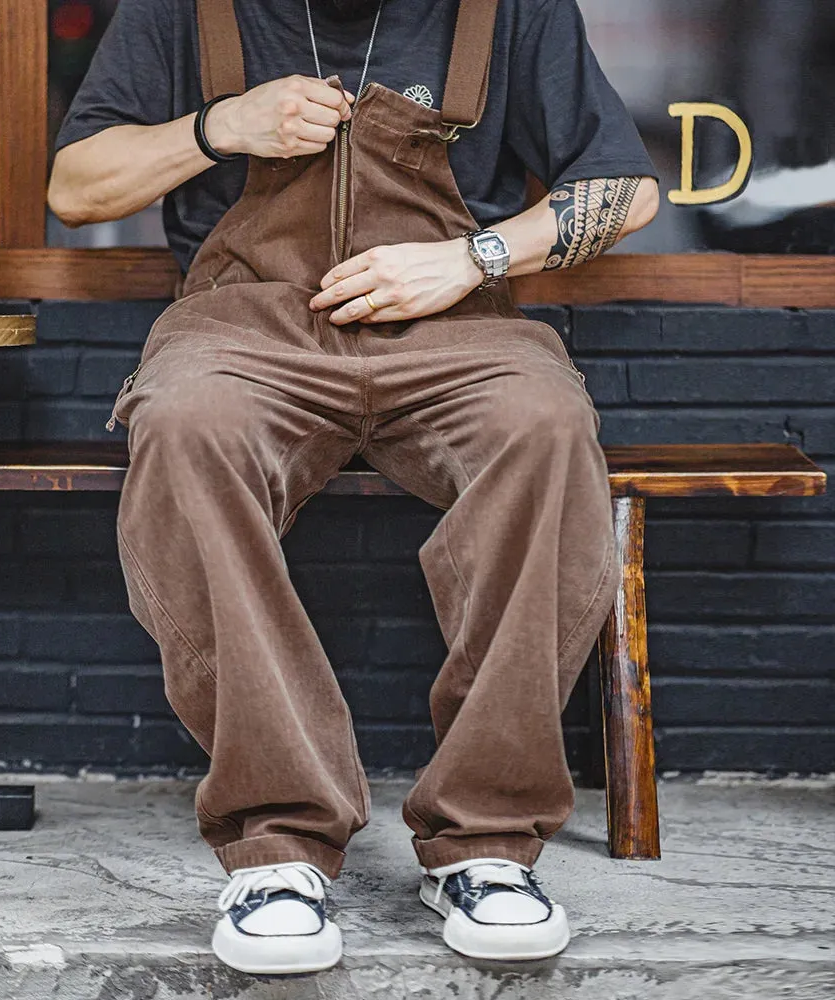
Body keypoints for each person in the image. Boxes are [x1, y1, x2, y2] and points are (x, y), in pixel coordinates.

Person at [49, 0, 659, 976]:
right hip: (245, 325)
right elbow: (74, 187)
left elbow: (628, 192)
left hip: (451, 320)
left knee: (545, 426)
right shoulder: (181, 10)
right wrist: (220, 126)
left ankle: (487, 841)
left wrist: (472, 257)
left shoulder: (509, 11)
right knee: (182, 423)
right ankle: (277, 844)